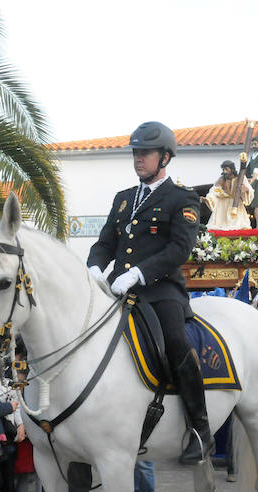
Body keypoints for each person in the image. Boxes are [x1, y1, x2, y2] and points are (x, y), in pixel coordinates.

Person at [87, 121, 211, 464]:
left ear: (165, 157)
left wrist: (139, 274)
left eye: (146, 153)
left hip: (160, 290)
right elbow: (105, 243)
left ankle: (201, 431)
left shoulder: (183, 198)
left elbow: (178, 250)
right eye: (136, 152)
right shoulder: (123, 199)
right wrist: (95, 267)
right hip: (117, 289)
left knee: (174, 340)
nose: (138, 159)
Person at [202, 160, 253, 230]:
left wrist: (246, 190)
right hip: (222, 206)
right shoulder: (221, 179)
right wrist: (208, 198)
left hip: (236, 204)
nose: (224, 171)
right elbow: (214, 190)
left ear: (232, 169)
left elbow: (249, 190)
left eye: (226, 169)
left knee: (238, 227)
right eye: (223, 169)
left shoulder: (241, 178)